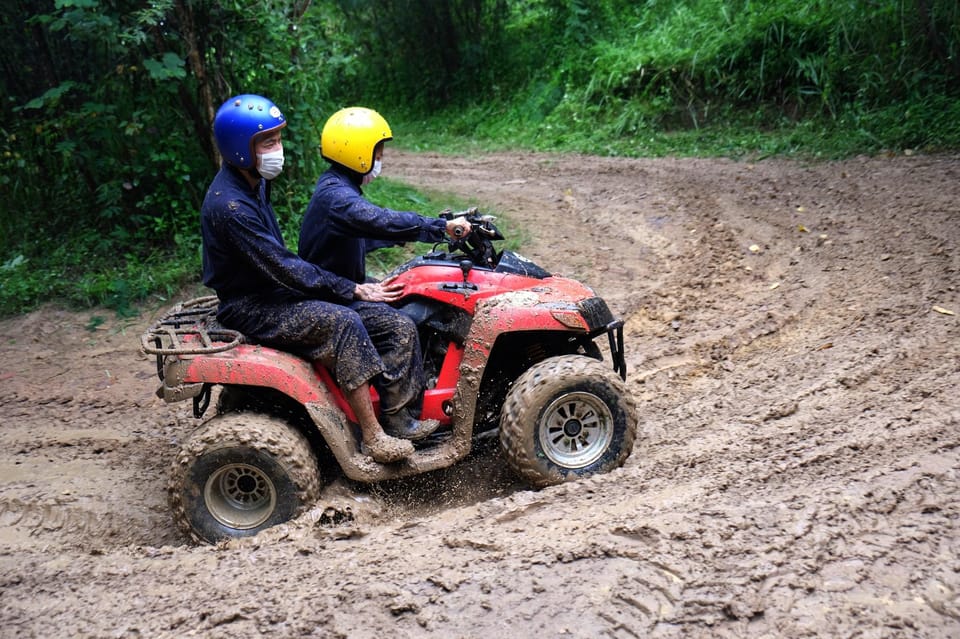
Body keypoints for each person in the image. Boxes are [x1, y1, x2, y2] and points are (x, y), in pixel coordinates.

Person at [200, 94, 418, 464]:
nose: (278, 149)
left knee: (396, 324)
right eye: (267, 142)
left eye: (279, 138)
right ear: (240, 148)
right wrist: (351, 288)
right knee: (346, 322)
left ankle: (399, 419)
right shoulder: (230, 207)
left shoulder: (254, 183)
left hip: (277, 292)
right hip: (252, 306)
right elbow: (285, 266)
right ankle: (373, 436)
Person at [298, 107, 471, 445]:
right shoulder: (338, 199)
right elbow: (378, 219)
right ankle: (400, 421)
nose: (381, 158)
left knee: (408, 294)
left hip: (335, 288)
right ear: (357, 151)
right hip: (332, 297)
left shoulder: (335, 188)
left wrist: (415, 235)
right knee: (401, 326)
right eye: (378, 151)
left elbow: (368, 233)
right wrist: (440, 229)